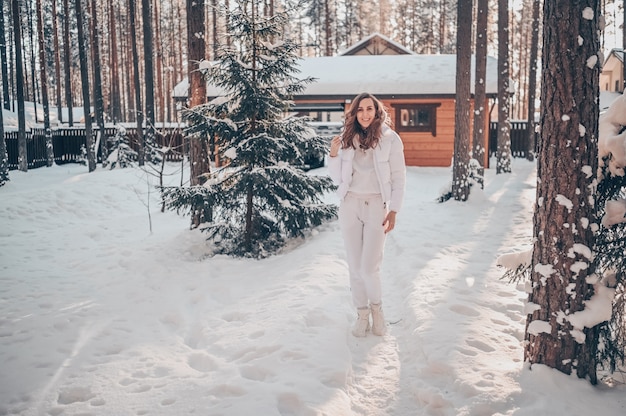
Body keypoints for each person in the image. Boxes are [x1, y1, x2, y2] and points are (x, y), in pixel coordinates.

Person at [328, 92, 406, 337]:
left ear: (377, 111)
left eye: (369, 109)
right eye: (360, 110)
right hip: (350, 204)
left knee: (369, 267)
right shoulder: (346, 138)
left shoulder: (390, 139)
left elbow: (399, 177)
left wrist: (394, 210)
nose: (364, 114)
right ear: (354, 113)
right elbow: (336, 177)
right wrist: (332, 154)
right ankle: (362, 314)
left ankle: (377, 311)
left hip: (376, 206)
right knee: (354, 266)